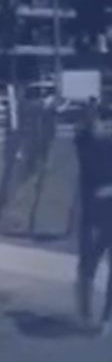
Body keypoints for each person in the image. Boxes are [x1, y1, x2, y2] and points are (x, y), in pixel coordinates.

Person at [73, 103, 112, 330]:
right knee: (88, 267)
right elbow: (95, 180)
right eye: (103, 122)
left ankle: (106, 318)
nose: (106, 127)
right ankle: (86, 314)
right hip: (94, 218)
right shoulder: (87, 146)